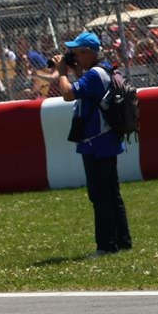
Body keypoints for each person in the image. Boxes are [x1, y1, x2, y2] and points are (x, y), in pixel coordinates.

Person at [53, 31, 132, 257]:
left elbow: (68, 94)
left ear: (87, 52)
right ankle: (122, 240)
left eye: (76, 52)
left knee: (100, 195)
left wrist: (61, 73)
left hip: (97, 143)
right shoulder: (102, 71)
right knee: (111, 192)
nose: (73, 56)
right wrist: (75, 70)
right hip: (106, 140)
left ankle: (106, 245)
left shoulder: (95, 75)